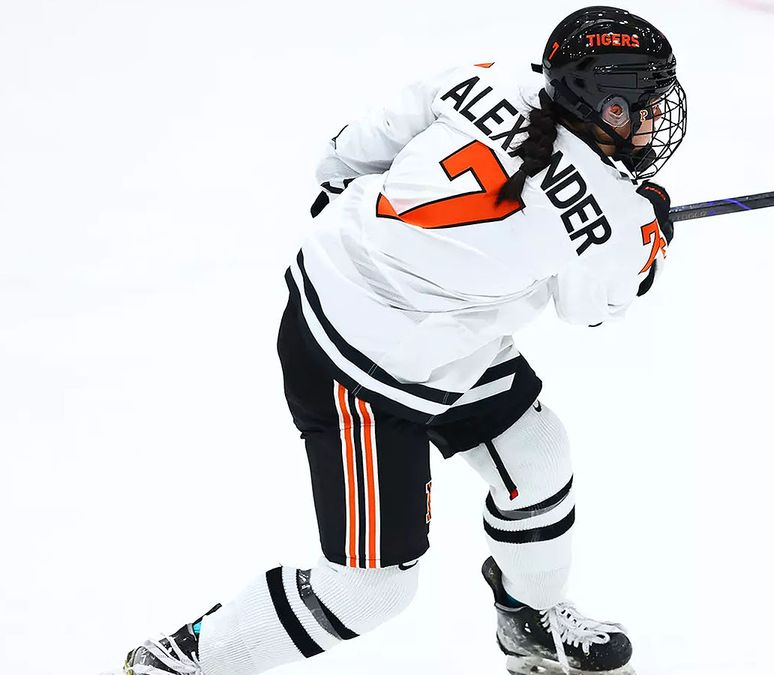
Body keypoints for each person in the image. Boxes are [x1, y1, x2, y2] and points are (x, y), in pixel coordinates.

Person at [107, 5, 686, 675]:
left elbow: (356, 146)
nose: (653, 120)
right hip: (359, 365)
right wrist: (651, 236)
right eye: (642, 105)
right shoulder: (610, 216)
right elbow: (595, 305)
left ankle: (530, 623)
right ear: (604, 102)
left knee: (538, 456)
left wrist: (392, 243)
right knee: (371, 589)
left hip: (397, 314)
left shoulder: (488, 78)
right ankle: (182, 661)